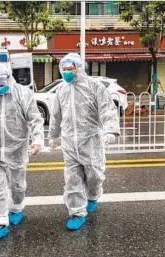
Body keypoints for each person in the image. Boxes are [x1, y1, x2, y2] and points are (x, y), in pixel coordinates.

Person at [48, 53, 120, 231]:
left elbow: (107, 109)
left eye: (70, 69)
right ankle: (76, 212)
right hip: (70, 142)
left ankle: (93, 195)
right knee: (72, 179)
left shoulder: (94, 86)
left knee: (94, 175)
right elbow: (56, 115)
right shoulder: (61, 90)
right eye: (63, 69)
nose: (66, 72)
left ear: (78, 68)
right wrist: (52, 135)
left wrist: (110, 130)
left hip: (91, 141)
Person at [0, 63, 44, 241]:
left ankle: (16, 207)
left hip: (17, 149)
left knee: (17, 186)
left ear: (9, 78)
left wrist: (37, 140)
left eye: (1, 82)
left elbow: (34, 119)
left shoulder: (23, 94)